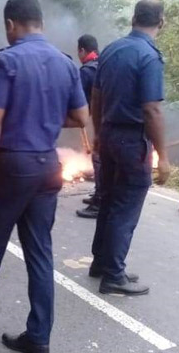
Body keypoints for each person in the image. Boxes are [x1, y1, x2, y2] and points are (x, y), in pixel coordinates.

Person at [0, 0, 89, 352]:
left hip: (9, 169)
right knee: (40, 253)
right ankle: (39, 337)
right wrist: (48, 117)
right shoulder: (66, 64)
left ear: (10, 25)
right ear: (42, 23)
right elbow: (82, 118)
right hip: (48, 169)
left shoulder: (7, 61)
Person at [89, 0, 171, 296]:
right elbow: (152, 110)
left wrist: (98, 134)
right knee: (126, 206)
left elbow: (96, 98)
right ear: (161, 21)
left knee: (109, 200)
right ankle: (113, 275)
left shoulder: (111, 50)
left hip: (109, 135)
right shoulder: (148, 57)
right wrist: (163, 157)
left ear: (133, 18)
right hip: (131, 141)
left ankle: (100, 262)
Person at [74, 34, 102, 219]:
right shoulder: (103, 65)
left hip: (102, 119)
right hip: (112, 117)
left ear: (82, 50)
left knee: (98, 157)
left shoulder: (87, 71)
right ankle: (99, 194)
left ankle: (99, 202)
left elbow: (82, 102)